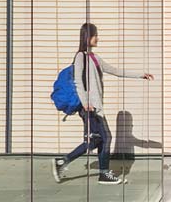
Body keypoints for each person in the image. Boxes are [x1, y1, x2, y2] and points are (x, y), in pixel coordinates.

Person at [52, 23, 155, 185]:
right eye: (95, 35)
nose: (97, 38)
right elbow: (78, 81)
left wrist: (141, 75)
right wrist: (86, 103)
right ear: (87, 37)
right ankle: (99, 172)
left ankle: (69, 163)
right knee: (102, 138)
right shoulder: (80, 57)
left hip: (96, 107)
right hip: (89, 108)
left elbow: (115, 70)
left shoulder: (94, 57)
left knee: (97, 140)